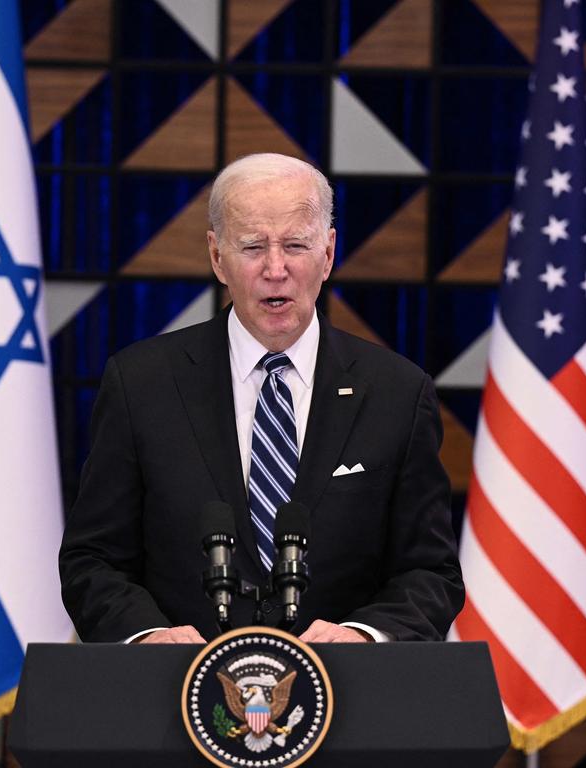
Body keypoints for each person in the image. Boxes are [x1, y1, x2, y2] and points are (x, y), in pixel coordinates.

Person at [59, 153, 463, 644]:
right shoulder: (141, 383)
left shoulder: (397, 393)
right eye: (252, 246)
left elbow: (430, 572)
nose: (276, 269)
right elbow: (93, 559)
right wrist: (147, 637)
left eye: (296, 245)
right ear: (216, 257)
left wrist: (363, 636)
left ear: (329, 253)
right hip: (178, 696)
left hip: (344, 699)